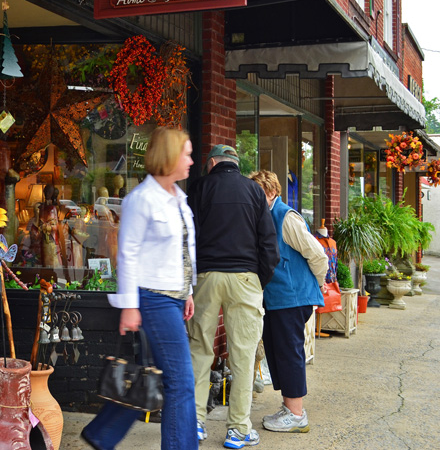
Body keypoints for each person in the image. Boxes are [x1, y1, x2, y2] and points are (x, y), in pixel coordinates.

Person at [81, 127, 198, 450]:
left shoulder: (179, 198)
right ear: (170, 156)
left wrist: (188, 291)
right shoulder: (141, 200)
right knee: (181, 382)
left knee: (153, 372)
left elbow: (183, 251)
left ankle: (102, 433)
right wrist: (129, 306)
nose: (191, 161)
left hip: (173, 297)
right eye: (186, 154)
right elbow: (127, 254)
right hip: (154, 298)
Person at [186, 144, 279, 449]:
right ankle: (238, 430)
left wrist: (191, 279)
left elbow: (188, 237)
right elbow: (269, 243)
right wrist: (259, 280)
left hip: (206, 277)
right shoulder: (254, 191)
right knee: (243, 355)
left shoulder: (199, 188)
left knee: (200, 350)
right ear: (236, 164)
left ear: (212, 163)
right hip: (245, 277)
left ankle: (195, 423)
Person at [249, 170, 327, 433]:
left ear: (271, 192)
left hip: (292, 298)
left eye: (258, 192)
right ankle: (289, 407)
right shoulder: (264, 216)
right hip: (278, 299)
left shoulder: (286, 217)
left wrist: (318, 283)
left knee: (289, 353)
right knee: (278, 351)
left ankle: (296, 415)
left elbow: (317, 254)